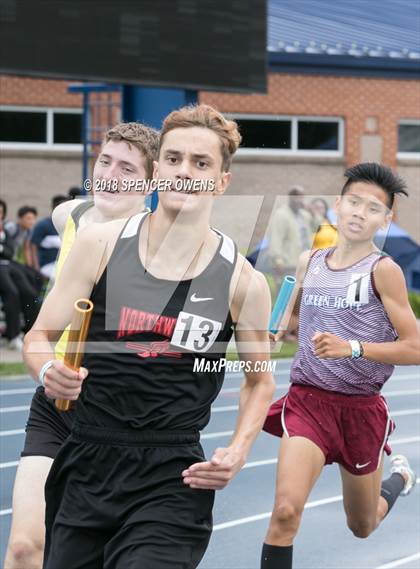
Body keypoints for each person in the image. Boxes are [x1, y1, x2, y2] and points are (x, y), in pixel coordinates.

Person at [23, 104, 276, 569]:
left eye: (201, 164)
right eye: (175, 159)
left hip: (172, 473)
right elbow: (38, 337)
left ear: (221, 182)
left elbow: (260, 381)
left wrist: (238, 452)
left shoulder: (243, 282)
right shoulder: (99, 244)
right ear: (157, 170)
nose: (184, 172)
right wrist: (47, 371)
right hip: (87, 459)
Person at [5, 121, 159, 569]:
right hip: (57, 405)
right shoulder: (70, 214)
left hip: (122, 416)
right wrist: (49, 369)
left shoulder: (157, 242)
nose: (111, 175)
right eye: (105, 162)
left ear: (150, 185)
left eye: (127, 169)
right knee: (23, 548)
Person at [261, 163, 420, 569]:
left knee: (362, 526)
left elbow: (415, 347)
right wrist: (275, 329)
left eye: (371, 208)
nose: (358, 212)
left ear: (385, 219)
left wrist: (352, 348)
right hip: (308, 403)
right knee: (284, 513)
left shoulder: (383, 271)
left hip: (359, 409)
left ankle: (399, 479)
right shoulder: (309, 261)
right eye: (353, 202)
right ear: (336, 205)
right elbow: (290, 319)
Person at [0, 200, 39, 348]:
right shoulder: (11, 228)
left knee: (30, 290)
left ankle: (29, 333)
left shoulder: (3, 229)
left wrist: (3, 249)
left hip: (8, 265)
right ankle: (12, 335)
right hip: (3, 267)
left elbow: (9, 252)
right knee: (12, 292)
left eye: (1, 213)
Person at [267, 186, 320, 289]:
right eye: (295, 197)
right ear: (290, 198)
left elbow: (318, 226)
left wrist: (312, 212)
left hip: (305, 262)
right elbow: (276, 238)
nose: (298, 200)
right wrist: (278, 259)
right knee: (286, 295)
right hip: (288, 264)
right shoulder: (281, 214)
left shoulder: (304, 215)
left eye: (301, 197)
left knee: (300, 295)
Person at [29, 195, 68, 281]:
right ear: (54, 208)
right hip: (47, 265)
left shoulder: (68, 225)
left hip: (64, 264)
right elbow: (33, 246)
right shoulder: (43, 225)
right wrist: (36, 268)